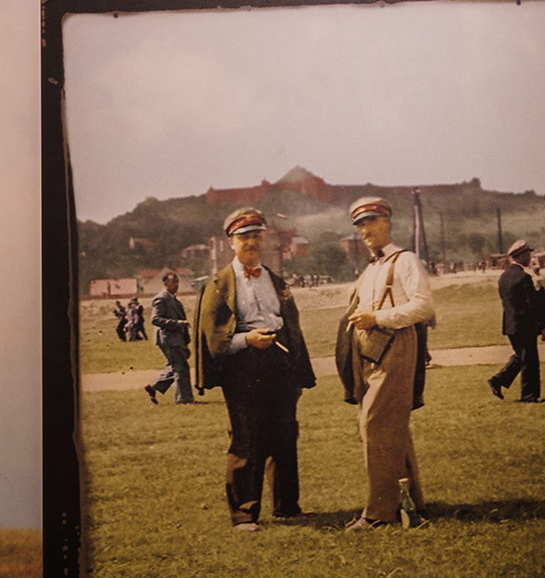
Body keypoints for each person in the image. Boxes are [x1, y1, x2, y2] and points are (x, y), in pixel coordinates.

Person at [192, 207, 317, 531]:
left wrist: (296, 371)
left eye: (256, 236)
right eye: (244, 237)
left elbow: (292, 325)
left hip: (279, 364)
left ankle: (287, 507)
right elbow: (212, 336)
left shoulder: (275, 280)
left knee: (285, 437)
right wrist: (246, 339)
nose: (251, 242)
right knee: (246, 439)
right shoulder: (218, 284)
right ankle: (244, 514)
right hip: (243, 368)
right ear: (231, 242)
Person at [335, 197, 435, 531]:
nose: (365, 229)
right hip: (369, 352)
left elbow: (423, 308)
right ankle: (413, 503)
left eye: (372, 221)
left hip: (395, 345)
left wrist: (378, 317)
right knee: (392, 427)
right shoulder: (372, 267)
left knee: (374, 426)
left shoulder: (405, 260)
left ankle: (379, 513)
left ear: (387, 222)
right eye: (360, 224)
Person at [487, 240, 545, 402]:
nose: (529, 257)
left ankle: (499, 380)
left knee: (521, 356)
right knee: (530, 362)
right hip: (525, 325)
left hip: (510, 324)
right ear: (520, 256)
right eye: (527, 254)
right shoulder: (524, 277)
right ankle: (529, 396)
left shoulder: (503, 277)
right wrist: (541, 326)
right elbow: (530, 305)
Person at [144, 272, 194, 405]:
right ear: (165, 283)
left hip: (176, 339)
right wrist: (177, 323)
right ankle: (184, 399)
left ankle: (154, 387)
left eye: (177, 282)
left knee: (176, 366)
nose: (176, 285)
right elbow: (155, 319)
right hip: (168, 339)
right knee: (181, 367)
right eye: (173, 283)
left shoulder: (173, 299)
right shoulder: (161, 298)